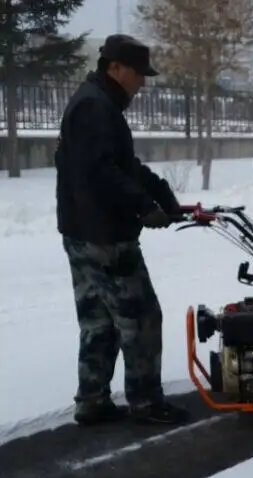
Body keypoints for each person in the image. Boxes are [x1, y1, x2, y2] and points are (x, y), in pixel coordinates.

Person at [55, 34, 190, 426]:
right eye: (138, 73)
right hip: (105, 237)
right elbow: (101, 172)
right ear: (115, 68)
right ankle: (147, 402)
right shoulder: (96, 108)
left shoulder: (95, 103)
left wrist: (160, 193)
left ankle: (93, 400)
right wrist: (143, 206)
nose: (142, 82)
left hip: (83, 232)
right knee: (142, 318)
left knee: (99, 320)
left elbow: (121, 164)